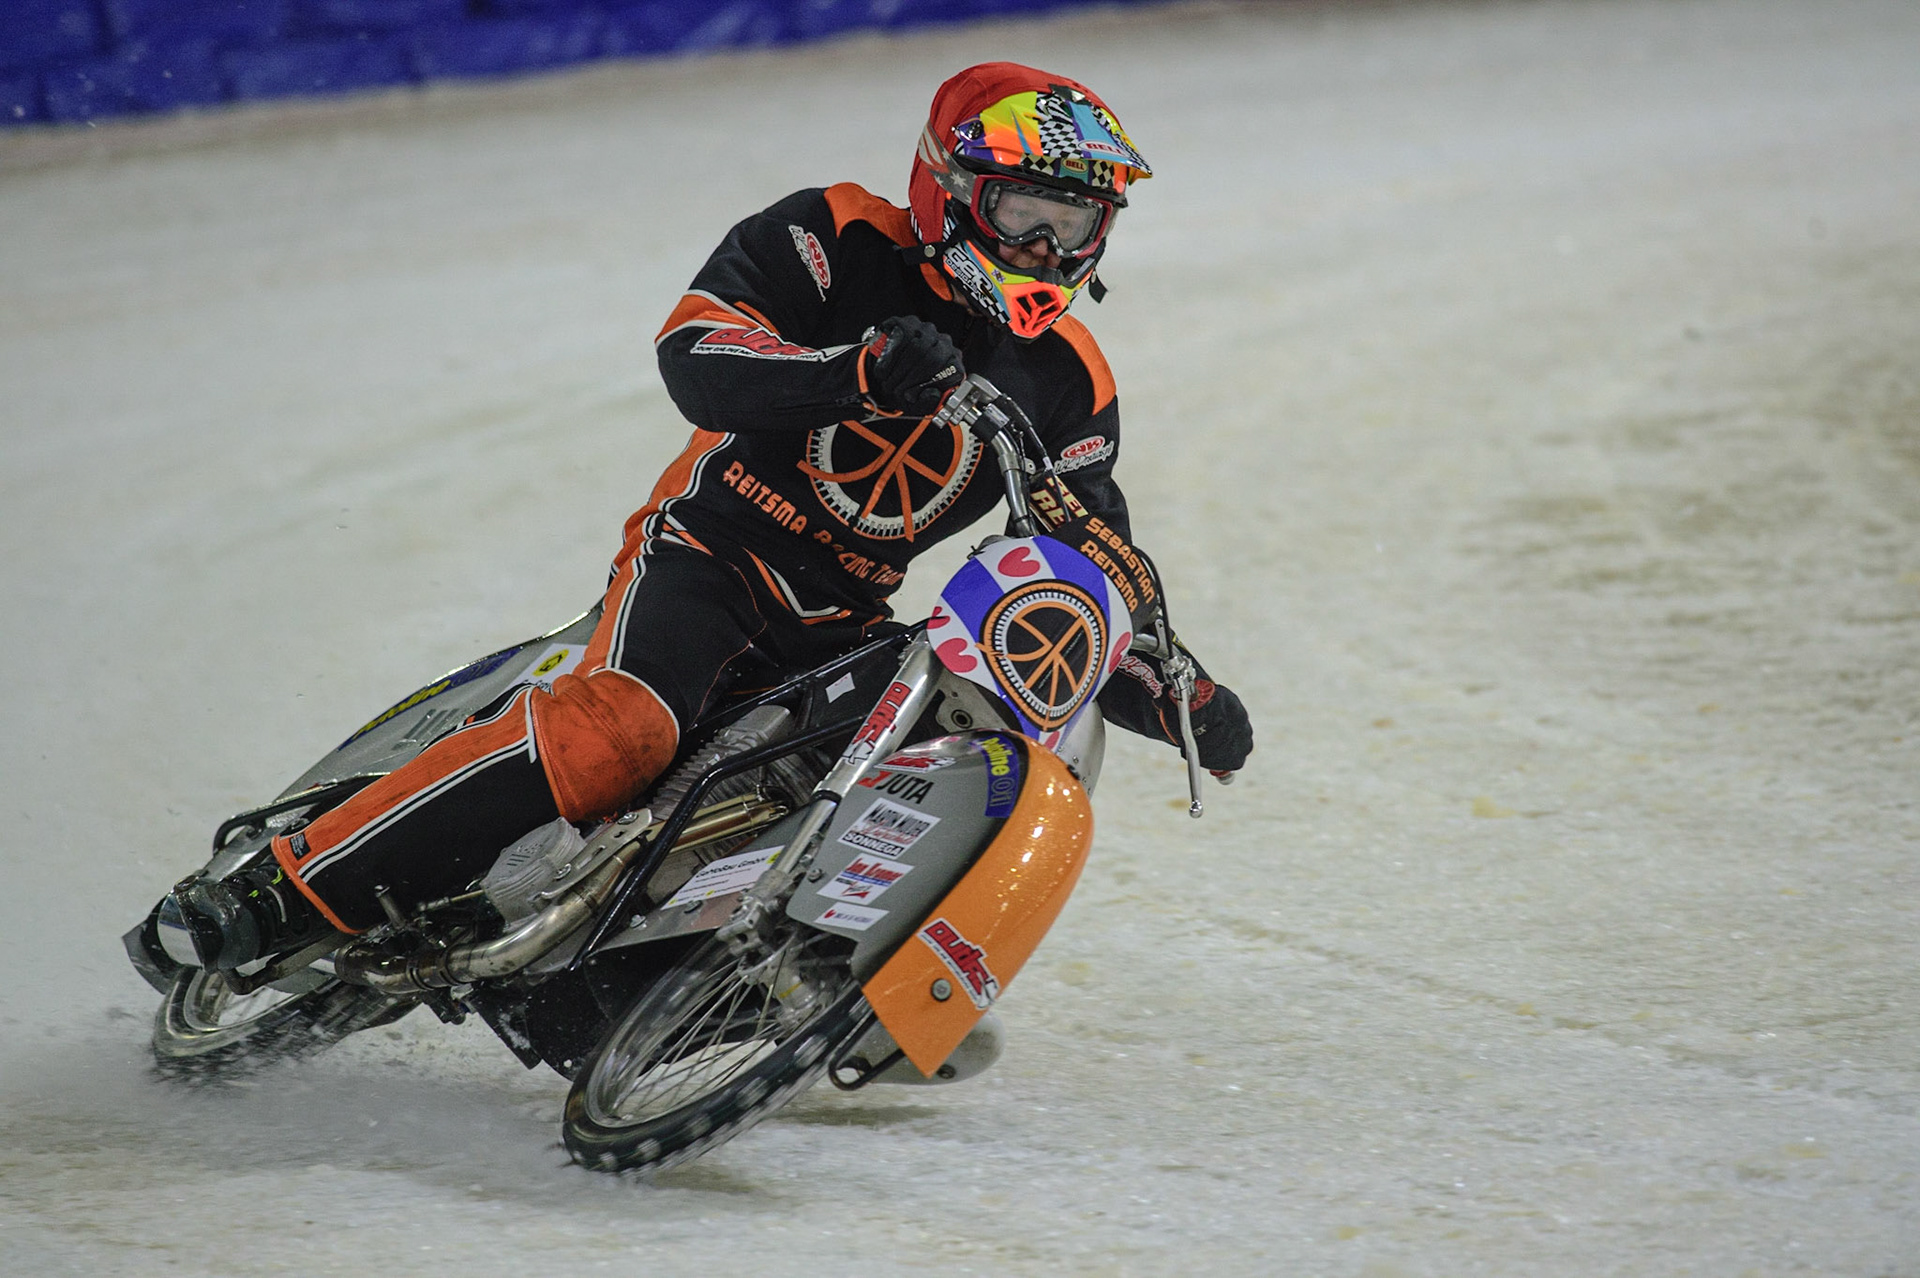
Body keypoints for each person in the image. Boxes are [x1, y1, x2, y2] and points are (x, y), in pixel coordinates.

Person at [169, 61, 1254, 972]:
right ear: (950, 189)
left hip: (840, 616)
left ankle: (761, 985)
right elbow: (697, 360)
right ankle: (285, 891)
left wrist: (1179, 692)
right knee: (627, 729)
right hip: (712, 546)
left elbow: (1081, 571)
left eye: (1079, 228)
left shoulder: (1072, 381)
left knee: (901, 749)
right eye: (1028, 216)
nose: (1052, 256)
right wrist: (856, 373)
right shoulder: (831, 237)